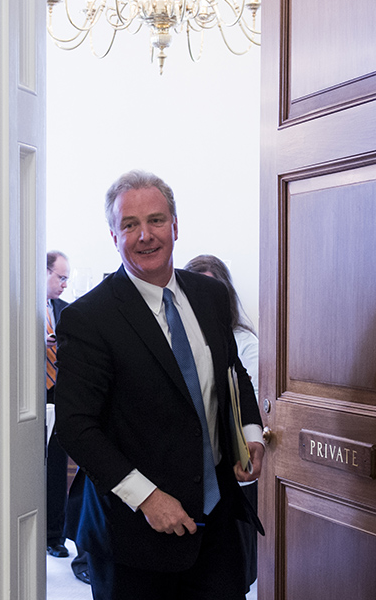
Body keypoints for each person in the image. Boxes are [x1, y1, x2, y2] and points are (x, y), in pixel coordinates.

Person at [54, 169, 264, 600]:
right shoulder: (90, 318)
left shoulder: (209, 297)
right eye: (129, 225)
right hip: (133, 539)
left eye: (155, 220)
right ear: (114, 236)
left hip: (218, 527)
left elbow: (233, 373)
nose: (145, 235)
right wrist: (147, 498)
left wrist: (249, 434)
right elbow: (77, 426)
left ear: (175, 225)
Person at [184, 254, 259, 592]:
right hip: (187, 477)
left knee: (231, 574)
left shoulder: (244, 343)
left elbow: (248, 398)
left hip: (232, 471)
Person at [46, 250, 71, 558]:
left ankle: (55, 536)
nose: (64, 284)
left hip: (58, 394)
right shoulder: (23, 307)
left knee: (56, 467)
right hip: (30, 393)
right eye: (60, 277)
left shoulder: (65, 311)